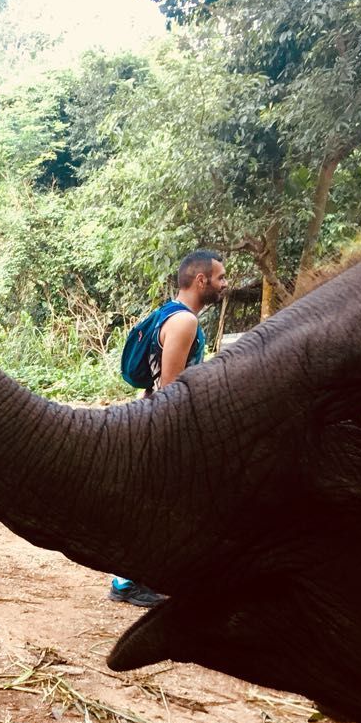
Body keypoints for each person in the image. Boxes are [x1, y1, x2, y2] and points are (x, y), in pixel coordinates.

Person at [109, 249, 227, 608]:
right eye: (220, 278)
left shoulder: (170, 314)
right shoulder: (184, 322)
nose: (225, 284)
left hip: (156, 416)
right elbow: (171, 385)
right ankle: (126, 581)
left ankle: (139, 576)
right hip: (165, 422)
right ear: (200, 280)